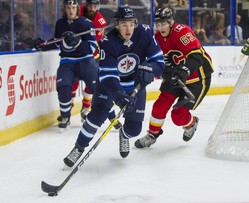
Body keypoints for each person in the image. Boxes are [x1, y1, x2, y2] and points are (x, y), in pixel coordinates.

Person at [63, 6, 165, 167]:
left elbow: (159, 61)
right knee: (96, 116)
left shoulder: (145, 33)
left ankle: (123, 134)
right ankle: (78, 148)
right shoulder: (107, 42)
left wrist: (150, 69)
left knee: (134, 130)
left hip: (135, 85)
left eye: (131, 24)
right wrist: (118, 94)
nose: (128, 29)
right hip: (110, 86)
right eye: (124, 24)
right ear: (117, 25)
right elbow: (108, 75)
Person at [134, 7, 214, 148]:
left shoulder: (182, 31)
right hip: (174, 77)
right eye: (158, 24)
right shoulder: (156, 38)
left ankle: (191, 123)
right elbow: (154, 61)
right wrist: (156, 71)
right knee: (159, 106)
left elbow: (197, 56)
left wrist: (184, 70)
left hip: (197, 78)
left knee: (178, 116)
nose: (160, 27)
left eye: (163, 23)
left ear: (171, 22)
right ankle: (153, 134)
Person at [33, 0, 99, 129]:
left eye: (73, 7)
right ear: (64, 8)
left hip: (85, 60)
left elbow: (92, 47)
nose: (71, 10)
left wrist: (78, 42)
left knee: (97, 86)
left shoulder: (86, 23)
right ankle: (65, 115)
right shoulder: (60, 23)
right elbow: (58, 42)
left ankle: (106, 114)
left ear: (77, 9)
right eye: (68, 7)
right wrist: (43, 45)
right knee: (63, 87)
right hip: (67, 62)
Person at [71, 0, 121, 129]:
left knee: (98, 85)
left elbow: (92, 44)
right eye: (90, 6)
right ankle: (69, 107)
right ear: (86, 6)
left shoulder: (100, 22)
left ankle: (87, 108)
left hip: (91, 56)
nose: (92, 9)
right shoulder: (79, 10)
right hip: (75, 55)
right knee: (72, 82)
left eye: (95, 6)